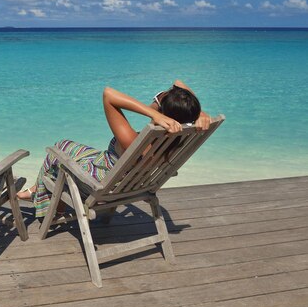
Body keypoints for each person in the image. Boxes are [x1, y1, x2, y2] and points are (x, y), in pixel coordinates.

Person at [17, 80, 211, 217]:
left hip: (100, 182)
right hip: (131, 183)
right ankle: (35, 190)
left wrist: (153, 114)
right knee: (70, 146)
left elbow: (108, 94)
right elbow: (179, 82)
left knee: (58, 150)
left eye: (158, 99)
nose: (155, 99)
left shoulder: (135, 143)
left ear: (161, 112)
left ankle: (51, 205)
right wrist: (199, 113)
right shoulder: (181, 138)